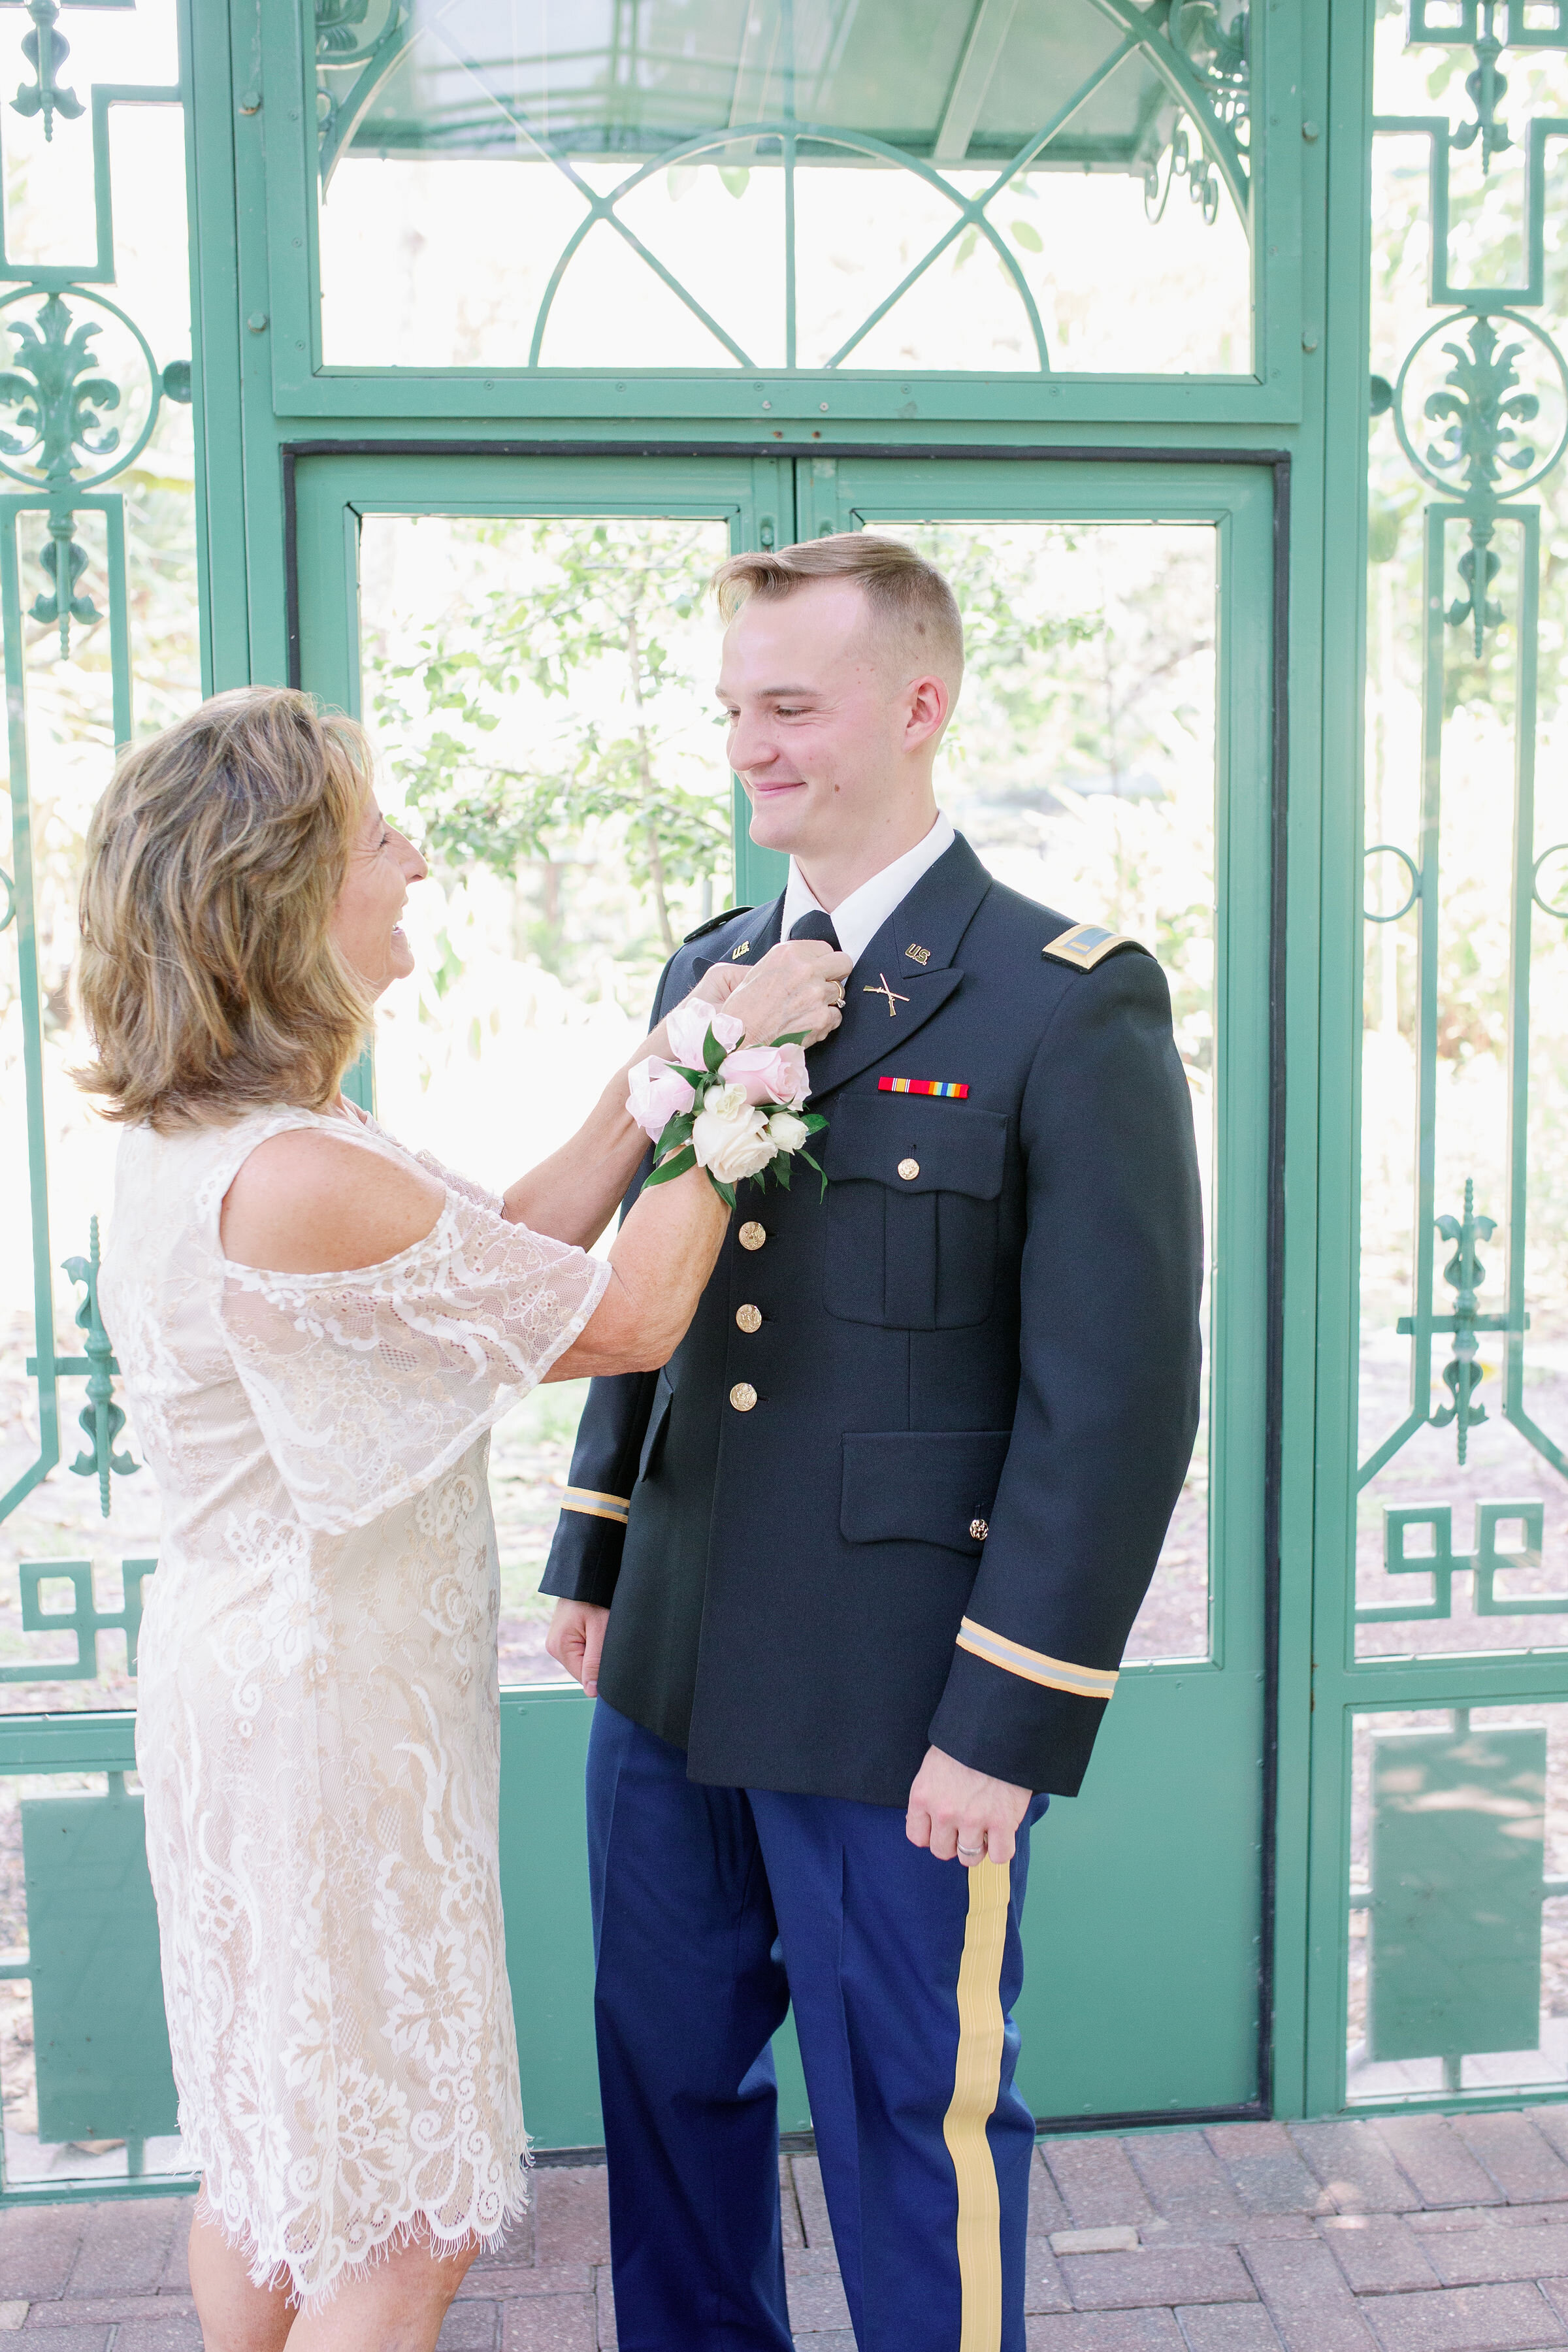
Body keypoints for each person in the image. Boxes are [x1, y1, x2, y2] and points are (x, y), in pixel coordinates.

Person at [76, 685, 848, 2352]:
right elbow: (621, 1312)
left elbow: (495, 1236)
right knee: (406, 2220)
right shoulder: (292, 1175)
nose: (412, 857)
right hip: (326, 1731)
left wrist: (662, 1068)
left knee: (273, 2167)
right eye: (375, 837)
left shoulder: (241, 1135)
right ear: (276, 891)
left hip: (258, 1685)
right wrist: (749, 1073)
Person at [542, 534, 1205, 2352]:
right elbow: (657, 1295)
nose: (750, 745)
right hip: (672, 1664)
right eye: (734, 708)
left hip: (899, 1695)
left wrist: (1014, 1713)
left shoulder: (1065, 997)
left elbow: (1119, 1399)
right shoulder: (714, 964)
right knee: (670, 2100)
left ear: (920, 708)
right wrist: (595, 1544)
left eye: (791, 706)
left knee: (920, 2122)